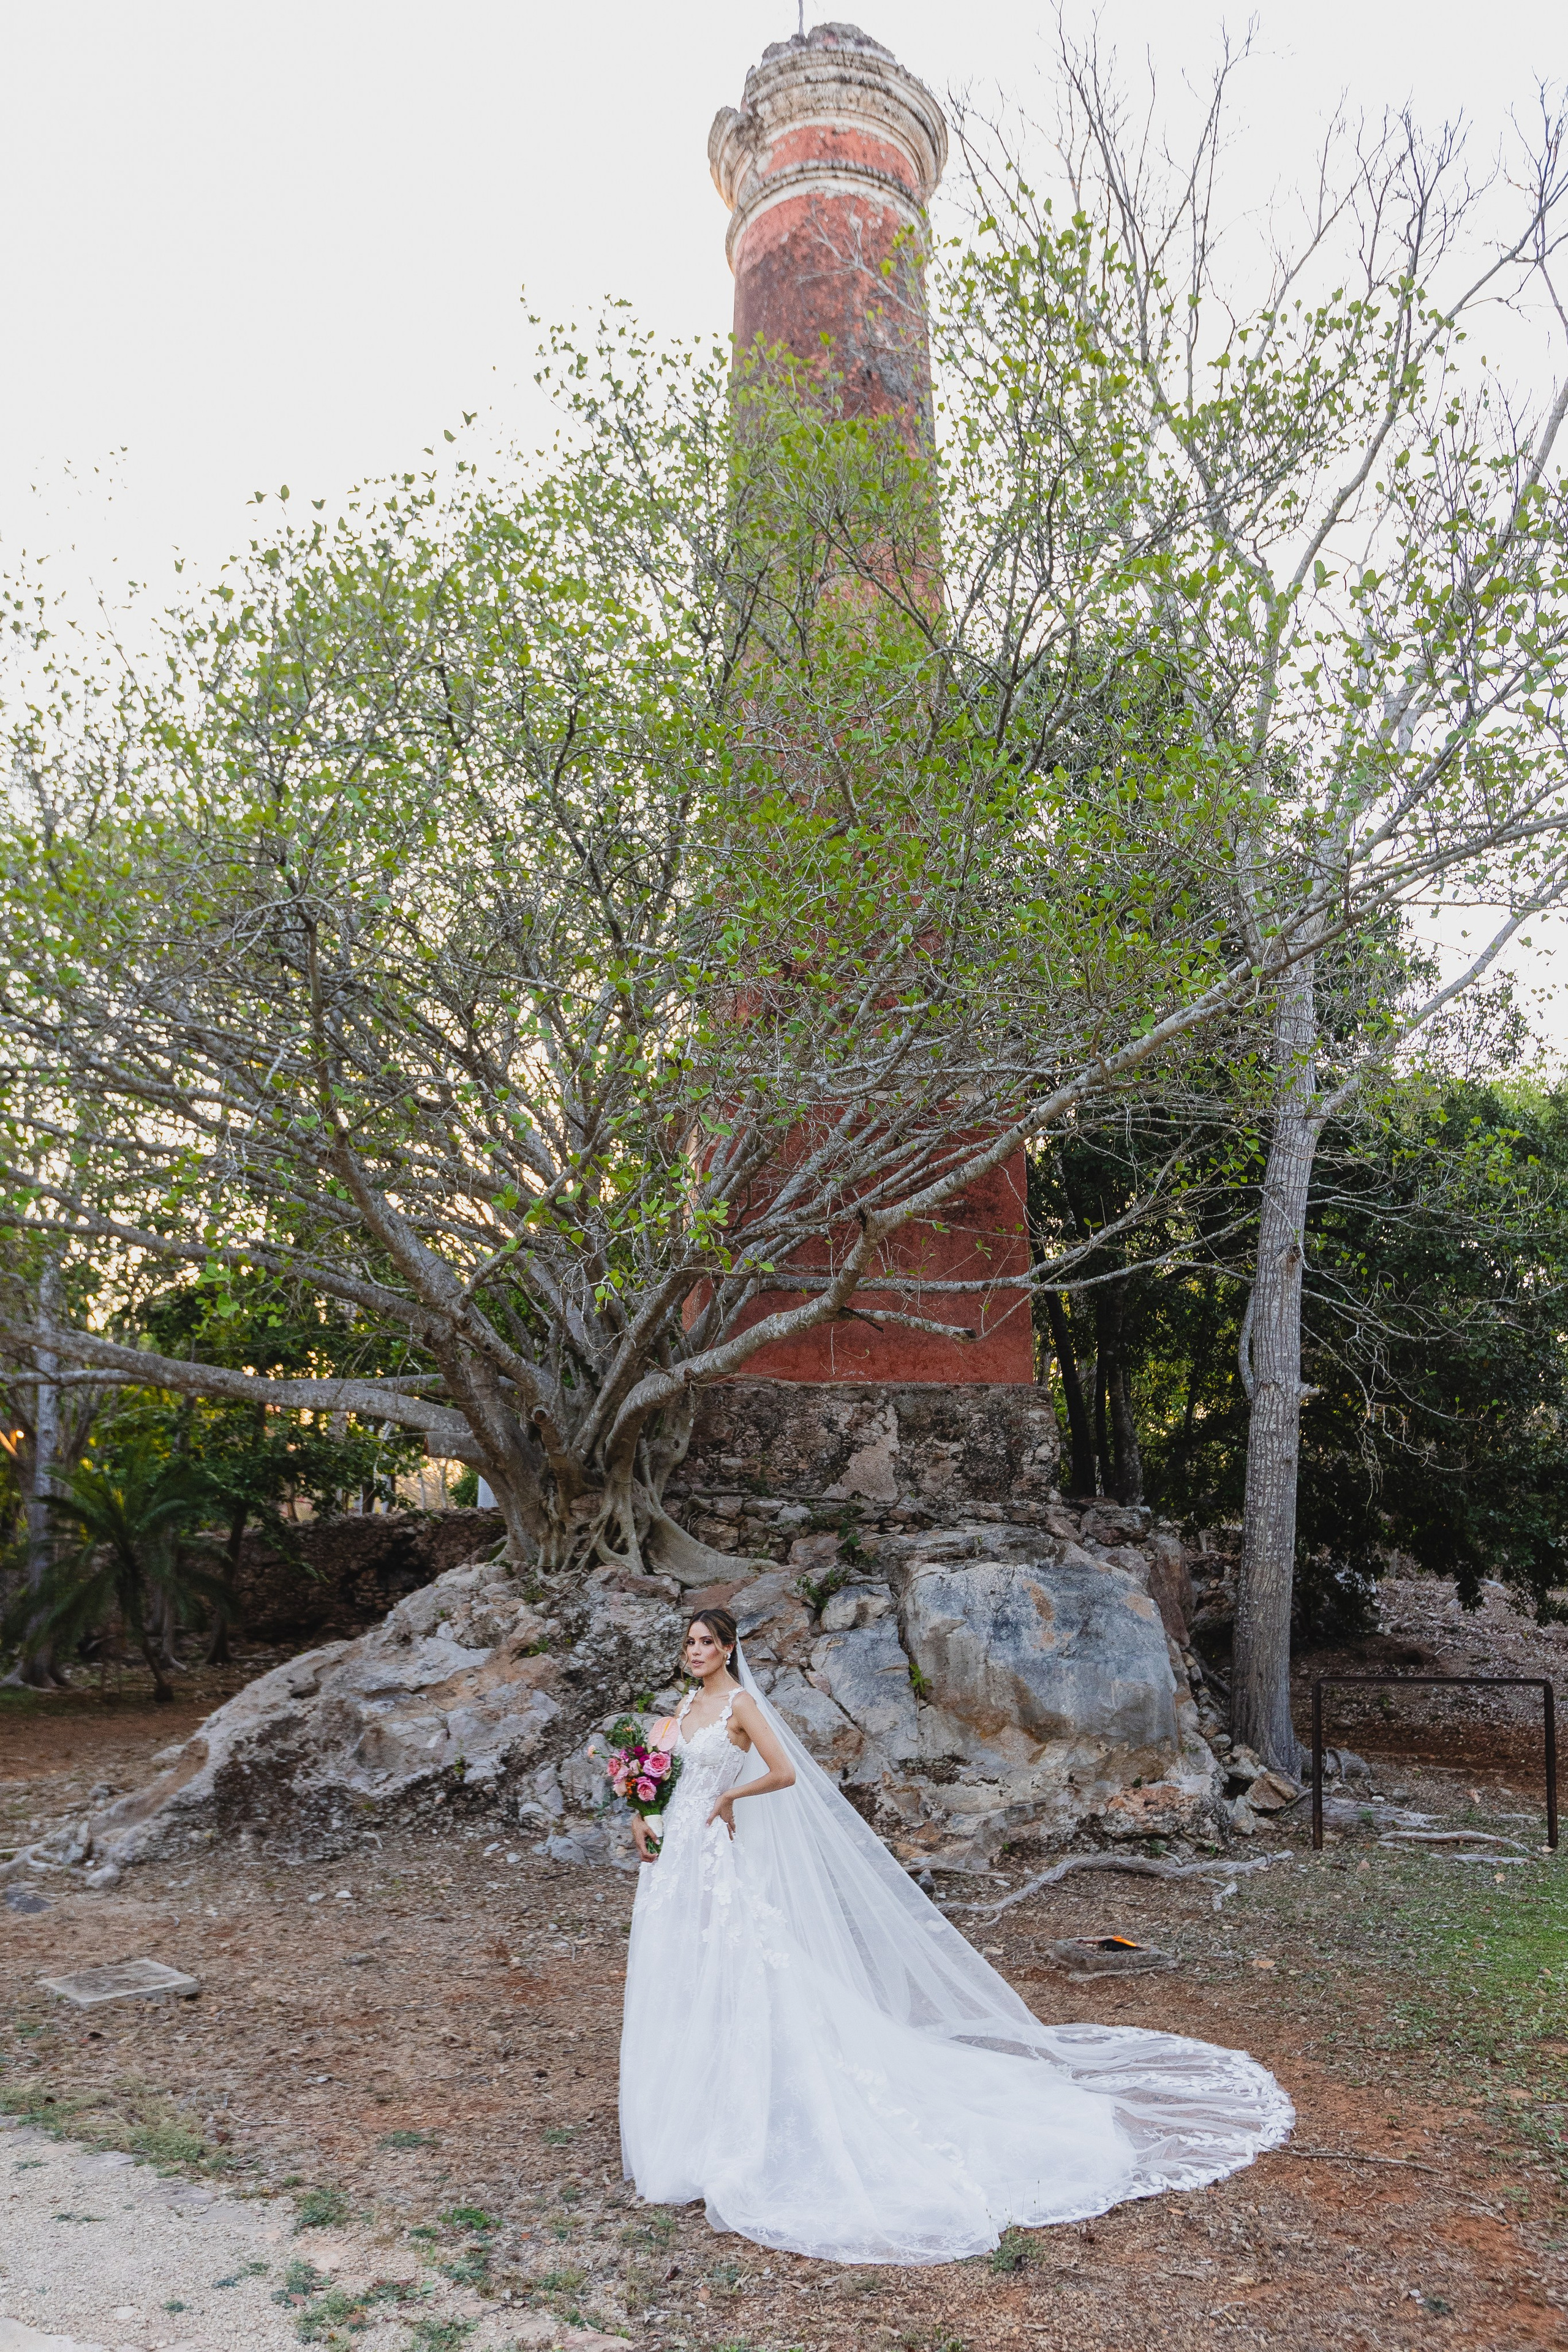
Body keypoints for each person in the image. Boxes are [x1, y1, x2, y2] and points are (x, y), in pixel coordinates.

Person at [619, 1605, 1292, 2266]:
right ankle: (691, 2106)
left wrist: (729, 1799)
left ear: (728, 1648)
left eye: (705, 1642)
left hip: (714, 1855)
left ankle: (754, 2106)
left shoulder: (739, 1706)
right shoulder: (683, 1708)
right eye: (689, 1642)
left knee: (740, 1969)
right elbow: (654, 1783)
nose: (695, 1650)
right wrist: (639, 1818)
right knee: (684, 1972)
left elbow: (783, 1772)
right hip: (672, 1861)